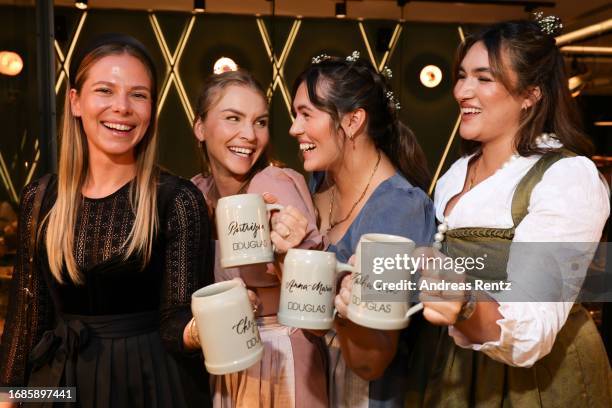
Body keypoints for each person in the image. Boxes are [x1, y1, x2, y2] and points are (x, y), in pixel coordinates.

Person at [0, 34, 213, 408]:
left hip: (152, 385)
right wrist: (9, 398)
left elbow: (176, 323)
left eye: (138, 94)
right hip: (59, 386)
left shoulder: (178, 200)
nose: (122, 107)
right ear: (75, 101)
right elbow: (26, 321)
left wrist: (207, 326)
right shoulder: (41, 198)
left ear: (152, 107)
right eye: (105, 90)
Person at [419, 18, 611, 406]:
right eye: (461, 76)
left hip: (533, 383)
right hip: (453, 365)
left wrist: (466, 304)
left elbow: (534, 331)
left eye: (483, 78)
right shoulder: (456, 175)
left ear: (530, 93)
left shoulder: (566, 177)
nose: (461, 91)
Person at [289, 54, 436, 407]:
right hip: (310, 383)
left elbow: (372, 359)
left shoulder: (399, 209)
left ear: (353, 120)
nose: (294, 128)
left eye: (306, 114)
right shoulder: (319, 181)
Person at [190, 69, 328, 408]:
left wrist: (288, 253)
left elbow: (315, 305)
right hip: (224, 354)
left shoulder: (275, 185)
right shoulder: (196, 191)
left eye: (260, 122)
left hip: (279, 352)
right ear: (200, 127)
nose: (249, 135)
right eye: (233, 118)